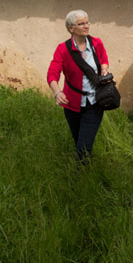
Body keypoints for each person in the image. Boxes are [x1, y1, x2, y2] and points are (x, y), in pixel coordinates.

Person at [47, 10, 110, 161]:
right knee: (78, 141)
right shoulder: (63, 49)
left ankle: (80, 172)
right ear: (71, 28)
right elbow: (52, 73)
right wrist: (57, 92)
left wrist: (104, 69)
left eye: (87, 22)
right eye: (81, 24)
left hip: (95, 102)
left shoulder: (96, 43)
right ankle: (87, 169)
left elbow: (104, 60)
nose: (86, 26)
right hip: (72, 104)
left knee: (83, 147)